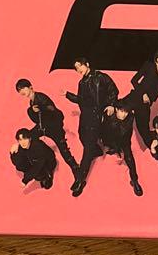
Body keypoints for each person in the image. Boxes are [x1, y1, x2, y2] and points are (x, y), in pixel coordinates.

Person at [65, 57, 118, 196]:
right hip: (85, 115)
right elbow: (80, 100)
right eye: (76, 68)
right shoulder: (81, 83)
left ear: (87, 64)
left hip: (97, 115)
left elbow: (114, 90)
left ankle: (80, 180)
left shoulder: (101, 77)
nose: (79, 70)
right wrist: (67, 95)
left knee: (87, 147)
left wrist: (111, 105)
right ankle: (96, 151)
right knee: (82, 135)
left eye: (80, 66)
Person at [15, 79, 78, 171]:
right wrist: (32, 111)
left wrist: (41, 109)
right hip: (44, 127)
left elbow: (55, 112)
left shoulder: (41, 97)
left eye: (23, 88)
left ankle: (76, 169)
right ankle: (44, 159)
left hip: (54, 127)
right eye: (19, 90)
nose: (21, 91)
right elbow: (36, 120)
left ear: (30, 87)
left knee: (64, 151)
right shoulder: (31, 102)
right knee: (29, 137)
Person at [100, 103, 143, 195]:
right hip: (111, 140)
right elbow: (104, 132)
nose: (124, 114)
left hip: (124, 141)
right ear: (116, 110)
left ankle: (135, 181)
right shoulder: (109, 116)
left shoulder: (130, 117)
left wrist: (122, 149)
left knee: (130, 158)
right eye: (122, 111)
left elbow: (127, 135)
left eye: (126, 112)